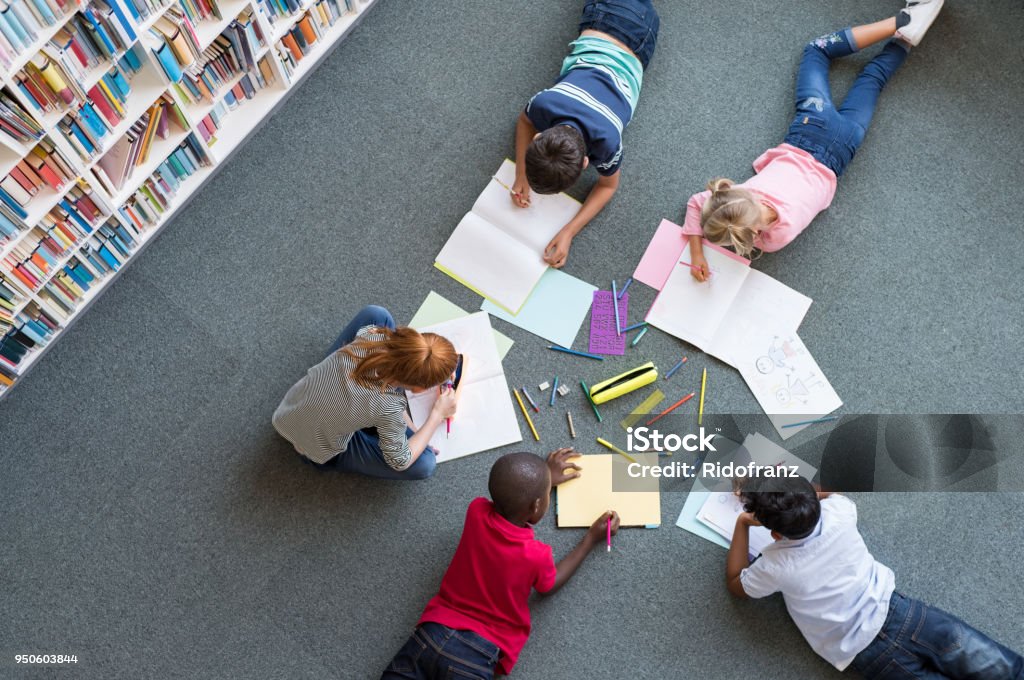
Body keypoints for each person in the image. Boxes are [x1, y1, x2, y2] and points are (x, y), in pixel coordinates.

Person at [682, 1, 943, 278]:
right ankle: (900, 21)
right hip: (810, 129)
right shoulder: (742, 195)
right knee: (816, 50)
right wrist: (696, 247)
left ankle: (905, 40)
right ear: (734, 192)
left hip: (844, 146)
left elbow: (737, 228)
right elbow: (697, 202)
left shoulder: (773, 239)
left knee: (874, 78)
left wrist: (704, 250)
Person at [726, 476, 1024, 679]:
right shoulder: (840, 512)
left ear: (775, 534)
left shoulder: (775, 563)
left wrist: (742, 524)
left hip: (866, 653)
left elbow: (737, 585)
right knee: (998, 666)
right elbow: (826, 491)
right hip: (904, 614)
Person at [381, 449, 619, 678]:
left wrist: (539, 482)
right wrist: (590, 539)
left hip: (431, 633)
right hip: (476, 652)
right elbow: (549, 586)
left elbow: (502, 499)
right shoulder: (537, 555)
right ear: (536, 506)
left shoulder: (475, 511)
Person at [512, 0, 660, 268]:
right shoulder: (546, 103)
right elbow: (524, 122)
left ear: (585, 162)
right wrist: (521, 172)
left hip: (638, 33)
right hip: (606, 23)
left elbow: (608, 186)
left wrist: (570, 230)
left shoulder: (608, 142)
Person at [272, 305, 459, 480]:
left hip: (288, 411)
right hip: (314, 449)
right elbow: (400, 461)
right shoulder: (389, 405)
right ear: (419, 388)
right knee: (425, 462)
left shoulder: (372, 336)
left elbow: (386, 391)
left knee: (377, 314)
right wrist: (436, 415)